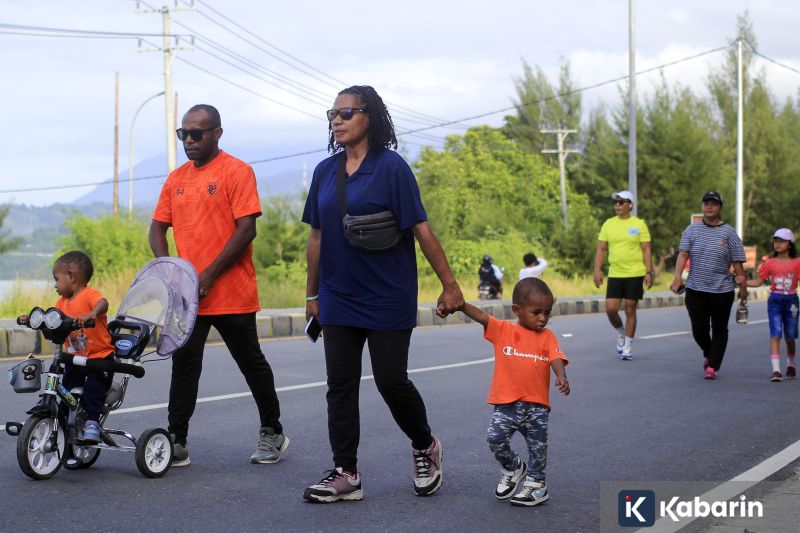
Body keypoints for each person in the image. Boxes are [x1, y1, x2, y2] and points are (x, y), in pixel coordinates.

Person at [301, 85, 464, 503]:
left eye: (346, 113)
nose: (337, 120)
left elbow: (420, 228)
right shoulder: (325, 171)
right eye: (332, 114)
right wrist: (311, 294)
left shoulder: (392, 169)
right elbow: (316, 237)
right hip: (338, 295)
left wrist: (449, 284)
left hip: (387, 294)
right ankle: (346, 472)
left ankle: (425, 443)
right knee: (340, 385)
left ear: (369, 117)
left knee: (391, 381)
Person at [149, 104, 287, 467]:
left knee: (250, 363)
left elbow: (247, 229)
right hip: (187, 298)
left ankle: (272, 431)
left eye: (197, 134)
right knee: (185, 365)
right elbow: (157, 228)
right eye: (184, 134)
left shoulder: (237, 172)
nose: (189, 141)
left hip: (231, 293)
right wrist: (168, 271)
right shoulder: (176, 178)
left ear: (217, 134)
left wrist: (207, 276)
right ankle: (176, 439)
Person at [460, 277, 569, 507]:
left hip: (537, 406)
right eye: (536, 312)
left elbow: (556, 356)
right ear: (517, 310)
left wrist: (561, 375)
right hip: (506, 405)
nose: (543, 318)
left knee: (538, 449)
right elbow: (481, 317)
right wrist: (461, 305)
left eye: (547, 312)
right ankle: (513, 467)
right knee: (495, 438)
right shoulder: (503, 330)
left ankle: (537, 486)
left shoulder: (547, 336)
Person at [18, 251, 115, 445]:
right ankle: (62, 419)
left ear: (72, 276)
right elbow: (53, 318)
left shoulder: (88, 294)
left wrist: (91, 314)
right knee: (67, 389)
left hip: (99, 357)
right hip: (75, 358)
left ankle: (92, 422)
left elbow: (103, 303)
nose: (55, 285)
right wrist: (33, 319)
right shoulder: (62, 302)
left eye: (56, 279)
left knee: (93, 390)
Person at [670, 191, 747, 380]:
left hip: (722, 290)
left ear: (720, 208)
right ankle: (708, 351)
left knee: (720, 328)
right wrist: (677, 277)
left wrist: (743, 287)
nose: (709, 206)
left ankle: (712, 366)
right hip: (696, 289)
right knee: (699, 329)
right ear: (702, 206)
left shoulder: (729, 233)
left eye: (713, 203)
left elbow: (738, 262)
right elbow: (683, 254)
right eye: (706, 203)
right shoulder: (692, 230)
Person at [593, 190, 655, 360]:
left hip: (635, 273)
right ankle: (621, 333)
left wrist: (649, 271)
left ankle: (627, 347)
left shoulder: (639, 224)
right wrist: (597, 270)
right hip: (615, 273)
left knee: (630, 308)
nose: (617, 205)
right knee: (611, 309)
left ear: (630, 205)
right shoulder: (608, 224)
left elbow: (646, 249)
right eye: (616, 203)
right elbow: (601, 248)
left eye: (621, 202)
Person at [745, 228, 800, 382]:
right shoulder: (769, 263)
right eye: (776, 240)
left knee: (790, 336)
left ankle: (791, 364)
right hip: (774, 300)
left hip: (792, 302)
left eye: (782, 241)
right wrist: (742, 281)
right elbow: (757, 282)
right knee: (775, 334)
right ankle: (776, 370)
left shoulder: (797, 263)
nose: (777, 243)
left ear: (790, 244)